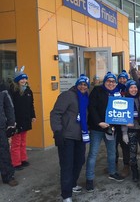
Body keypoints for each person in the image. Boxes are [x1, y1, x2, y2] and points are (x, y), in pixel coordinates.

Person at [50, 74, 90, 202]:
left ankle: (72, 184)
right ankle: (66, 195)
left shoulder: (85, 98)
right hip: (66, 136)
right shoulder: (67, 95)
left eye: (85, 85)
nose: (83, 86)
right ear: (77, 84)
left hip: (80, 136)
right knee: (67, 165)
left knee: (79, 161)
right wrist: (57, 131)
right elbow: (55, 113)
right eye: (81, 84)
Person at [86, 72, 124, 193]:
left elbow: (120, 110)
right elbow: (92, 108)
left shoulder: (117, 93)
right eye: (109, 81)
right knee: (93, 153)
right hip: (97, 128)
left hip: (110, 128)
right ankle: (89, 178)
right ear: (105, 82)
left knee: (112, 152)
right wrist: (99, 123)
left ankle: (112, 172)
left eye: (113, 82)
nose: (111, 83)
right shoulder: (97, 90)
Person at [9, 66, 36, 170]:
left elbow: (31, 105)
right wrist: (12, 121)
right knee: (16, 142)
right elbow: (10, 107)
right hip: (16, 120)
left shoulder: (28, 91)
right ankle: (16, 162)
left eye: (25, 78)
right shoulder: (13, 91)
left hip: (25, 119)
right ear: (17, 80)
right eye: (21, 78)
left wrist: (33, 116)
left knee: (23, 141)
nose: (24, 80)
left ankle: (23, 159)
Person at [121, 79, 140, 182]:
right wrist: (124, 133)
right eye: (131, 87)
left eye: (135, 87)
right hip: (131, 131)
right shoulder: (124, 100)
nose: (133, 89)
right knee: (132, 153)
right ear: (128, 89)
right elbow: (122, 118)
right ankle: (134, 171)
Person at [0, 87, 18, 187]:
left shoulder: (3, 89)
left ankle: (8, 176)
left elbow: (9, 107)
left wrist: (11, 124)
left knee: (3, 152)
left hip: (0, 127)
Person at [115, 70, 130, 177]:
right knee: (113, 145)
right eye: (120, 78)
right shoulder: (114, 90)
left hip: (125, 123)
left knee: (125, 145)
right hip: (115, 122)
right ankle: (113, 164)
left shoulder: (130, 89)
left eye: (124, 78)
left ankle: (126, 165)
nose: (122, 80)